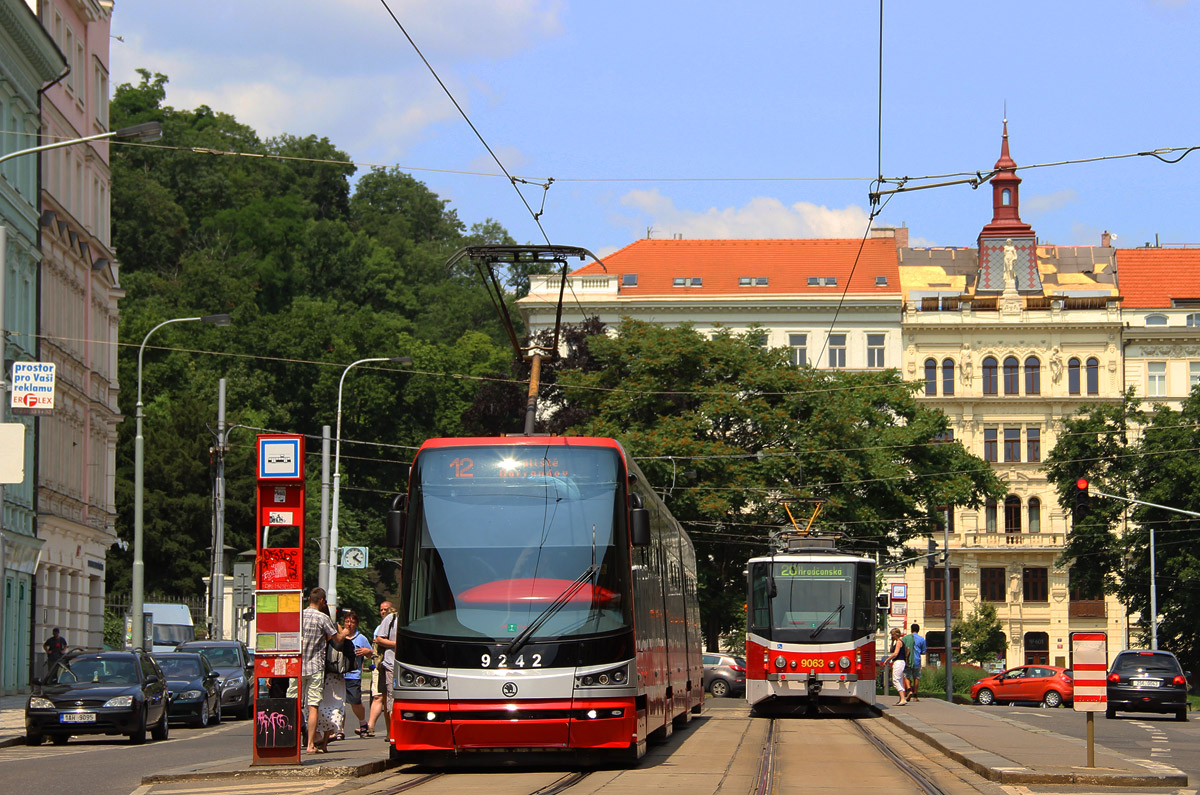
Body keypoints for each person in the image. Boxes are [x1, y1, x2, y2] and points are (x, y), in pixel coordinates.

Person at [293, 588, 348, 754]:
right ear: (323, 600)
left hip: (296, 666)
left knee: (294, 703)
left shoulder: (298, 615)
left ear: (309, 598)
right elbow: (337, 639)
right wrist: (343, 632)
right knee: (313, 706)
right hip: (316, 667)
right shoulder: (323, 618)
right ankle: (310, 744)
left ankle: (292, 742)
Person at [366, 601, 397, 738]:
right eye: (381, 609)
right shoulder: (389, 620)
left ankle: (390, 732)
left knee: (386, 698)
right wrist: (397, 644)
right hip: (387, 665)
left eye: (385, 609)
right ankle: (390, 732)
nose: (383, 612)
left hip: (404, 665)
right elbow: (378, 640)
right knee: (385, 698)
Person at [343, 611, 373, 737]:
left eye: (352, 622)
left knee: (355, 702)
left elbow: (371, 654)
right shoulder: (340, 636)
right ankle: (340, 730)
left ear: (356, 624)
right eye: (347, 622)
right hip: (339, 675)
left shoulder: (361, 638)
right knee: (339, 704)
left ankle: (363, 723)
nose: (349, 624)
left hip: (353, 675)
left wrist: (367, 651)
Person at [885, 627, 908, 706]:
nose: (892, 636)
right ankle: (902, 698)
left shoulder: (898, 642)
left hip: (898, 662)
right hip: (900, 662)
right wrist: (892, 641)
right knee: (899, 680)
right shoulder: (897, 642)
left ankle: (902, 698)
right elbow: (892, 650)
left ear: (896, 634)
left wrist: (887, 659)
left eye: (892, 635)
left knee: (895, 680)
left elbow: (895, 653)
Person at [907, 623, 926, 701]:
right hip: (917, 660)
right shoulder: (922, 639)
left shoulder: (906, 638)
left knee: (906, 676)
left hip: (908, 660)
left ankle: (909, 690)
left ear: (911, 629)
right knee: (916, 677)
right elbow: (924, 651)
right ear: (918, 630)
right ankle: (915, 695)